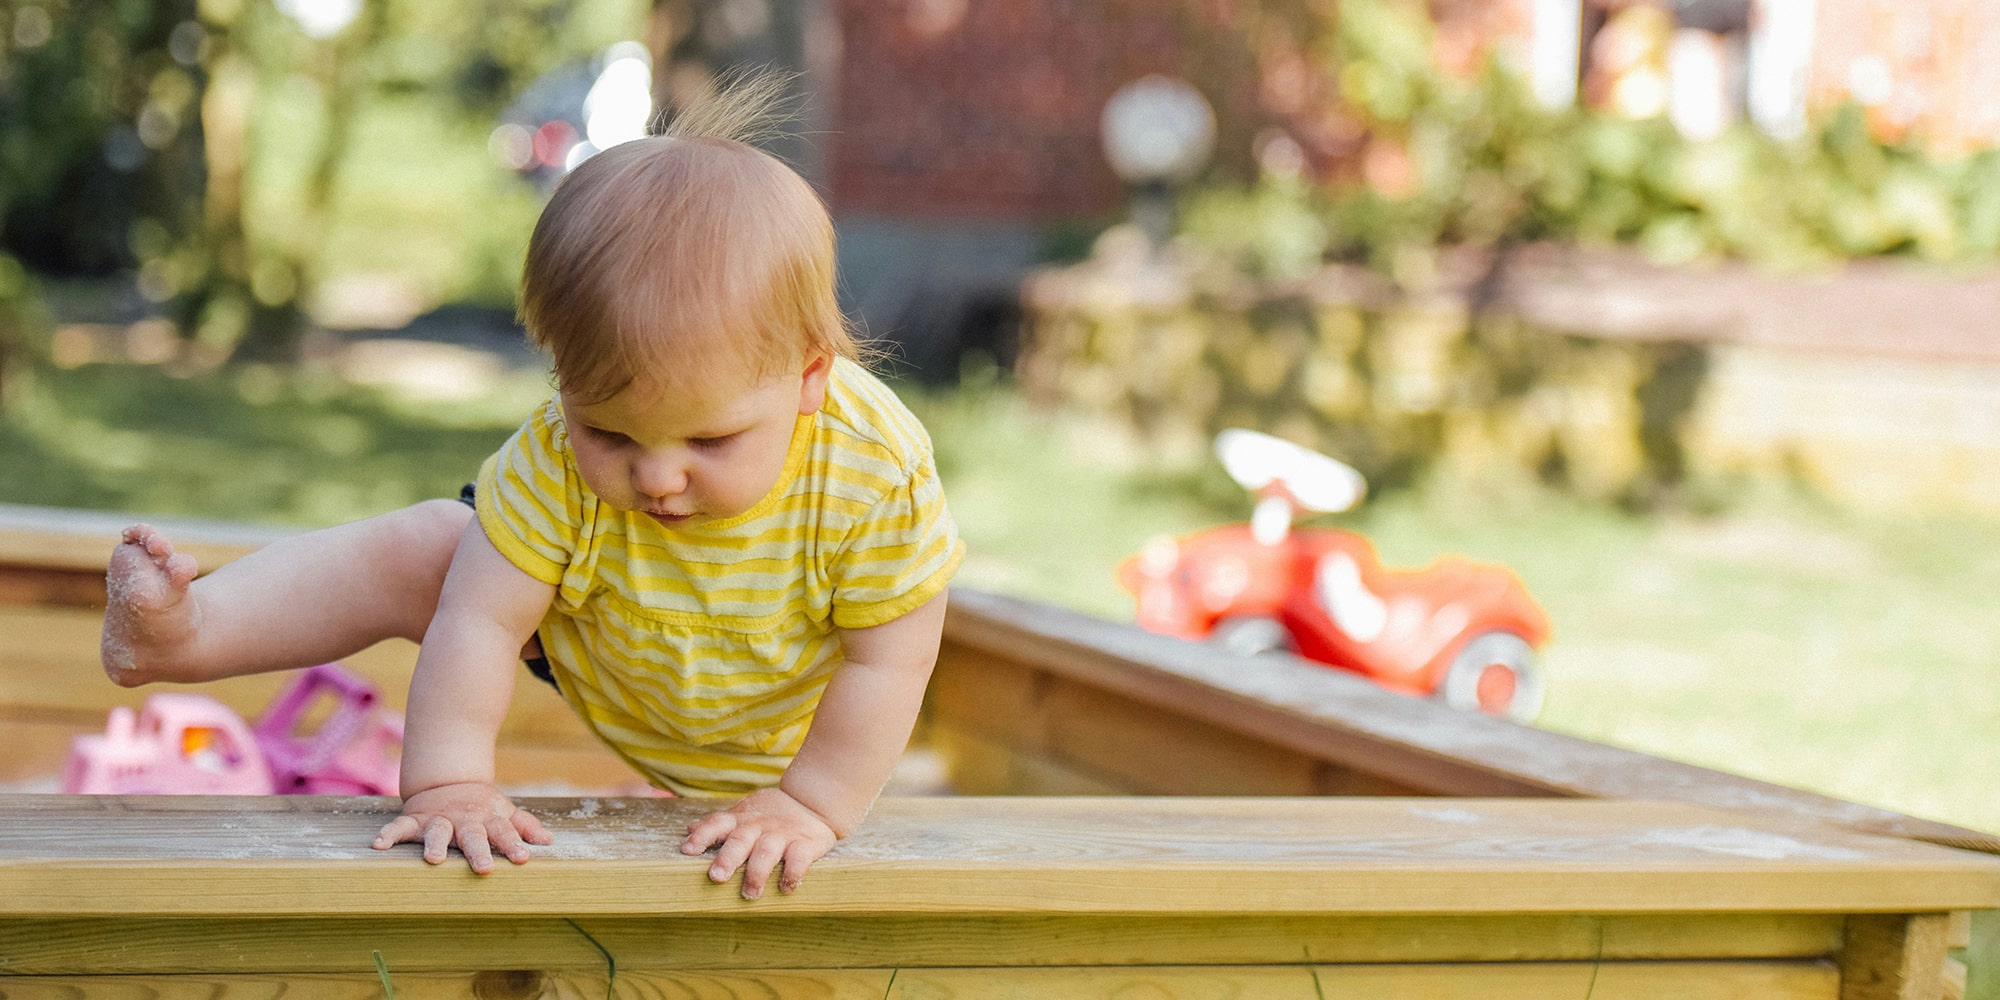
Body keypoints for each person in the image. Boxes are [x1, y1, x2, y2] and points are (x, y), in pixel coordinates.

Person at [97, 75, 964, 900]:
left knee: (854, 691)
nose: (657, 477)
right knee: (435, 547)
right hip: (613, 644)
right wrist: (449, 784)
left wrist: (811, 803)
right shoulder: (551, 456)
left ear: (810, 378)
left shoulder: (870, 472)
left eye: (711, 438)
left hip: (791, 721)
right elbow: (479, 622)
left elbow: (892, 657)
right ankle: (186, 634)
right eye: (610, 433)